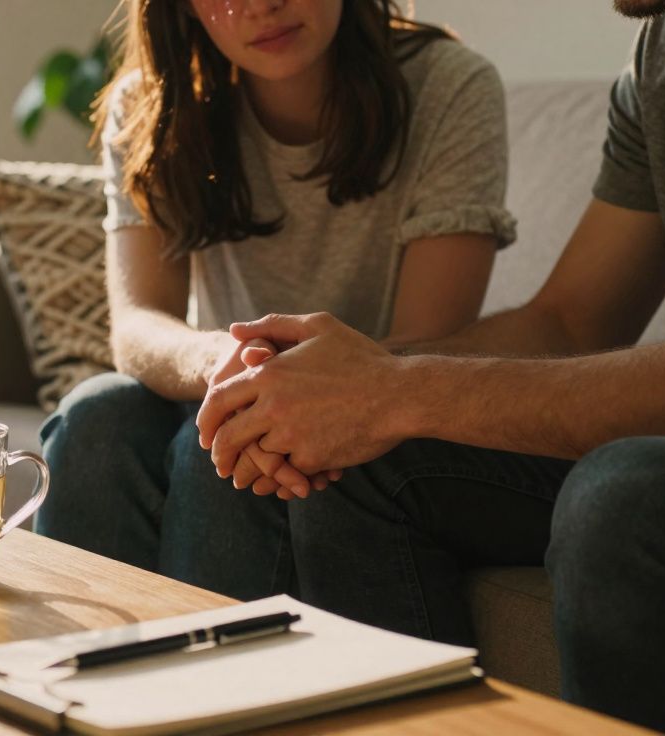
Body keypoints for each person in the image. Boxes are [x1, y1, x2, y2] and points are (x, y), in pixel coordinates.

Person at [196, 0, 665, 732]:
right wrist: (339, 381)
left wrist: (396, 390)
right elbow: (571, 321)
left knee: (631, 501)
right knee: (365, 461)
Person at [35, 0, 515, 601]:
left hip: (372, 408)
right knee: (94, 419)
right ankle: (73, 680)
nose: (263, 4)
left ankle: (216, 688)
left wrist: (282, 391)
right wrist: (222, 363)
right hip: (219, 383)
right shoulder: (150, 103)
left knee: (221, 450)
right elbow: (136, 324)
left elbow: (431, 339)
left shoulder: (447, 86)